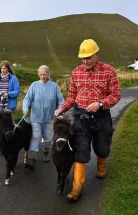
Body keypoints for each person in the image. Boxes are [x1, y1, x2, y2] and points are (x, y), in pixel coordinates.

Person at [54, 39, 121, 202]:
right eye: (83, 58)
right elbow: (71, 97)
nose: (85, 61)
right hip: (81, 118)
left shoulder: (109, 71)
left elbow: (116, 95)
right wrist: (61, 108)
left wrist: (100, 104)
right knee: (80, 149)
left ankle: (101, 166)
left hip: (101, 116)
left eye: (89, 57)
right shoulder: (76, 72)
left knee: (102, 146)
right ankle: (77, 187)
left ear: (97, 54)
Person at [23, 65, 64, 169]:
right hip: (36, 117)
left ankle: (46, 151)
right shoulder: (34, 85)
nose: (42, 76)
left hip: (50, 118)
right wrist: (25, 107)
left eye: (44, 74)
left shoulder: (54, 86)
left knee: (48, 137)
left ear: (48, 74)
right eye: (40, 74)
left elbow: (61, 101)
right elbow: (27, 98)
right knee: (35, 136)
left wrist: (60, 111)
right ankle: (32, 157)